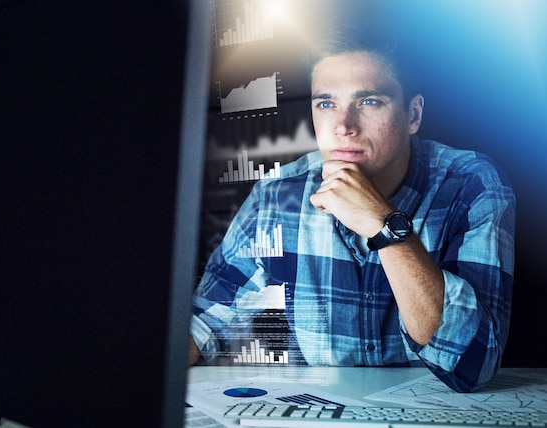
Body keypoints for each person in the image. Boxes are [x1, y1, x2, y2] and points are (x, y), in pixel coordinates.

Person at [188, 22, 516, 393]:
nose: (343, 126)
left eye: (369, 102)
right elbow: (205, 321)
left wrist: (385, 225)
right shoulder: (278, 195)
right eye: (326, 103)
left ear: (413, 115)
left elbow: (473, 364)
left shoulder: (472, 184)